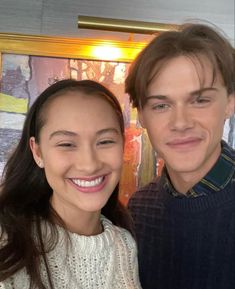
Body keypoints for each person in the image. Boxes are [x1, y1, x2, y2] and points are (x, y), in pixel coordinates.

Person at [0, 79, 142, 289]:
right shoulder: (7, 241)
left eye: (105, 141)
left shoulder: (124, 245)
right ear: (37, 152)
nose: (89, 164)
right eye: (66, 144)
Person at [125, 23, 235, 289]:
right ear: (142, 115)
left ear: (230, 102)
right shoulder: (138, 209)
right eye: (161, 105)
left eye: (200, 100)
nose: (181, 122)